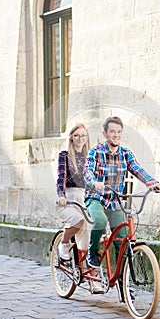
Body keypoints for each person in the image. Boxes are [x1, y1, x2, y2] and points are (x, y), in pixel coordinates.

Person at [83, 116, 160, 271]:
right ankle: (92, 252)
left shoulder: (125, 153)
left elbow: (137, 169)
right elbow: (87, 171)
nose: (115, 135)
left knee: (123, 242)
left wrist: (153, 182)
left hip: (116, 201)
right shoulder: (96, 151)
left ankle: (123, 286)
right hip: (96, 198)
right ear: (105, 133)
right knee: (99, 221)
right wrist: (94, 182)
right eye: (112, 132)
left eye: (119, 132)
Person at [55, 123, 103, 293]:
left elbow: (94, 178)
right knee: (78, 221)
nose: (80, 139)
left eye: (83, 136)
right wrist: (61, 195)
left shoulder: (90, 156)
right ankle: (64, 243)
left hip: (85, 198)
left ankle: (94, 280)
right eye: (77, 135)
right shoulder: (65, 155)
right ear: (71, 137)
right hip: (68, 198)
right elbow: (61, 177)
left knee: (92, 239)